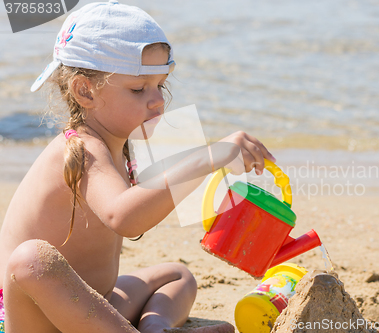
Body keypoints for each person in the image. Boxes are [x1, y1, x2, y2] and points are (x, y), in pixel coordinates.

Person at [0, 1, 275, 332]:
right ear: (85, 91)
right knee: (30, 260)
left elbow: (153, 201)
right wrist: (209, 156)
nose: (158, 99)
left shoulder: (123, 146)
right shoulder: (83, 148)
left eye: (160, 84)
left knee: (177, 275)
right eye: (138, 88)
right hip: (32, 318)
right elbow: (124, 218)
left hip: (92, 308)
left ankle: (155, 330)